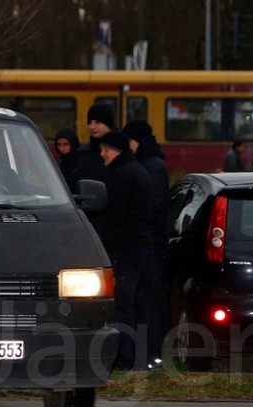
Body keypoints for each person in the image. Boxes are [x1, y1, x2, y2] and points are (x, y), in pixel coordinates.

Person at [92, 130, 152, 371]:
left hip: (126, 247)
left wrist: (100, 244)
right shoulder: (140, 171)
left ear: (116, 150)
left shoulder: (121, 174)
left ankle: (125, 359)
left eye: (105, 149)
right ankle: (141, 358)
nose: (102, 154)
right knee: (139, 304)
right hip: (142, 247)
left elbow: (115, 215)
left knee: (123, 304)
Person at [123, 120, 170, 369]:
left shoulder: (151, 166)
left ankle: (154, 353)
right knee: (146, 299)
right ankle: (150, 352)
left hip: (151, 244)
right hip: (152, 242)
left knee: (149, 300)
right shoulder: (151, 163)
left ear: (135, 140)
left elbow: (155, 206)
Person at [66, 102, 114, 191]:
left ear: (108, 124)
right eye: (90, 122)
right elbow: (71, 183)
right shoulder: (82, 153)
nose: (92, 127)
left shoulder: (119, 152)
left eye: (97, 122)